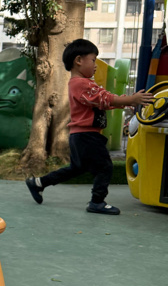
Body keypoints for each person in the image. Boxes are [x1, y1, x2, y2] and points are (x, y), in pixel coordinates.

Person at [26, 38, 154, 215]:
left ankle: (39, 183)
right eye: (93, 60)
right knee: (105, 167)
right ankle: (97, 201)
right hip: (87, 136)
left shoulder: (83, 84)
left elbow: (103, 100)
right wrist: (131, 99)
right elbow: (103, 99)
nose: (95, 65)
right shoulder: (80, 83)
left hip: (81, 135)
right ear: (78, 60)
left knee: (76, 168)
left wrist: (127, 101)